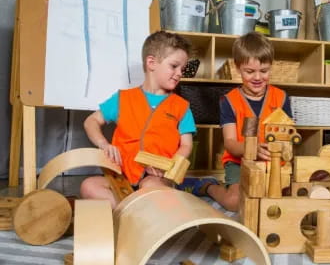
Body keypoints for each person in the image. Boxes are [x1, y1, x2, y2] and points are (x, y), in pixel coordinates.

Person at [80, 31, 215, 208]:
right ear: (151, 63)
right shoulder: (123, 98)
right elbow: (91, 121)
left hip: (157, 177)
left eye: (182, 69)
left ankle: (132, 209)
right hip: (121, 175)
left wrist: (168, 166)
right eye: (174, 66)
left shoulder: (181, 106)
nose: (179, 73)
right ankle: (134, 211)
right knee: (89, 186)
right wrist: (104, 144)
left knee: (151, 188)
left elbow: (186, 145)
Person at [204, 31, 292, 211]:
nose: (258, 78)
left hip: (273, 162)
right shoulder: (229, 101)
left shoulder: (281, 97)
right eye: (250, 72)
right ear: (237, 68)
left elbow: (288, 136)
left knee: (279, 201)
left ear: (271, 67)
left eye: (264, 71)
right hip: (238, 162)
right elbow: (229, 143)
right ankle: (208, 186)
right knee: (235, 203)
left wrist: (282, 151)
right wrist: (252, 150)